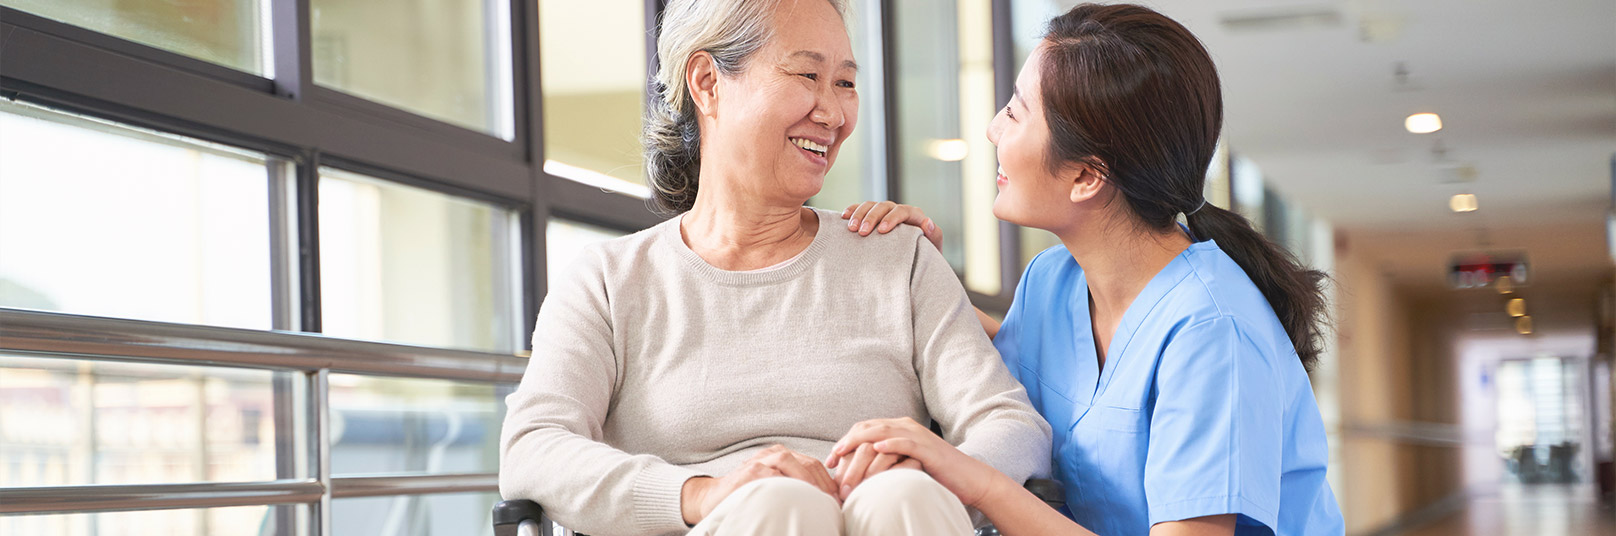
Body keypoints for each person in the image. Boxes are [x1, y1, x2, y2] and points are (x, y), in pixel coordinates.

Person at [498, 1, 1051, 535]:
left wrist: (938, 475)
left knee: (902, 494)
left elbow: (1011, 426)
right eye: (808, 75)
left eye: (845, 82)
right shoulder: (609, 281)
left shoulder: (896, 257)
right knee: (784, 505)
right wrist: (701, 493)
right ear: (707, 83)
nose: (833, 113)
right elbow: (534, 446)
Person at [829, 3, 1345, 535]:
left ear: (1086, 176)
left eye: (1014, 111)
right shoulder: (1053, 279)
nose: (992, 129)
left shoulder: (1213, 332)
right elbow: (1008, 368)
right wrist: (922, 279)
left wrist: (972, 478)